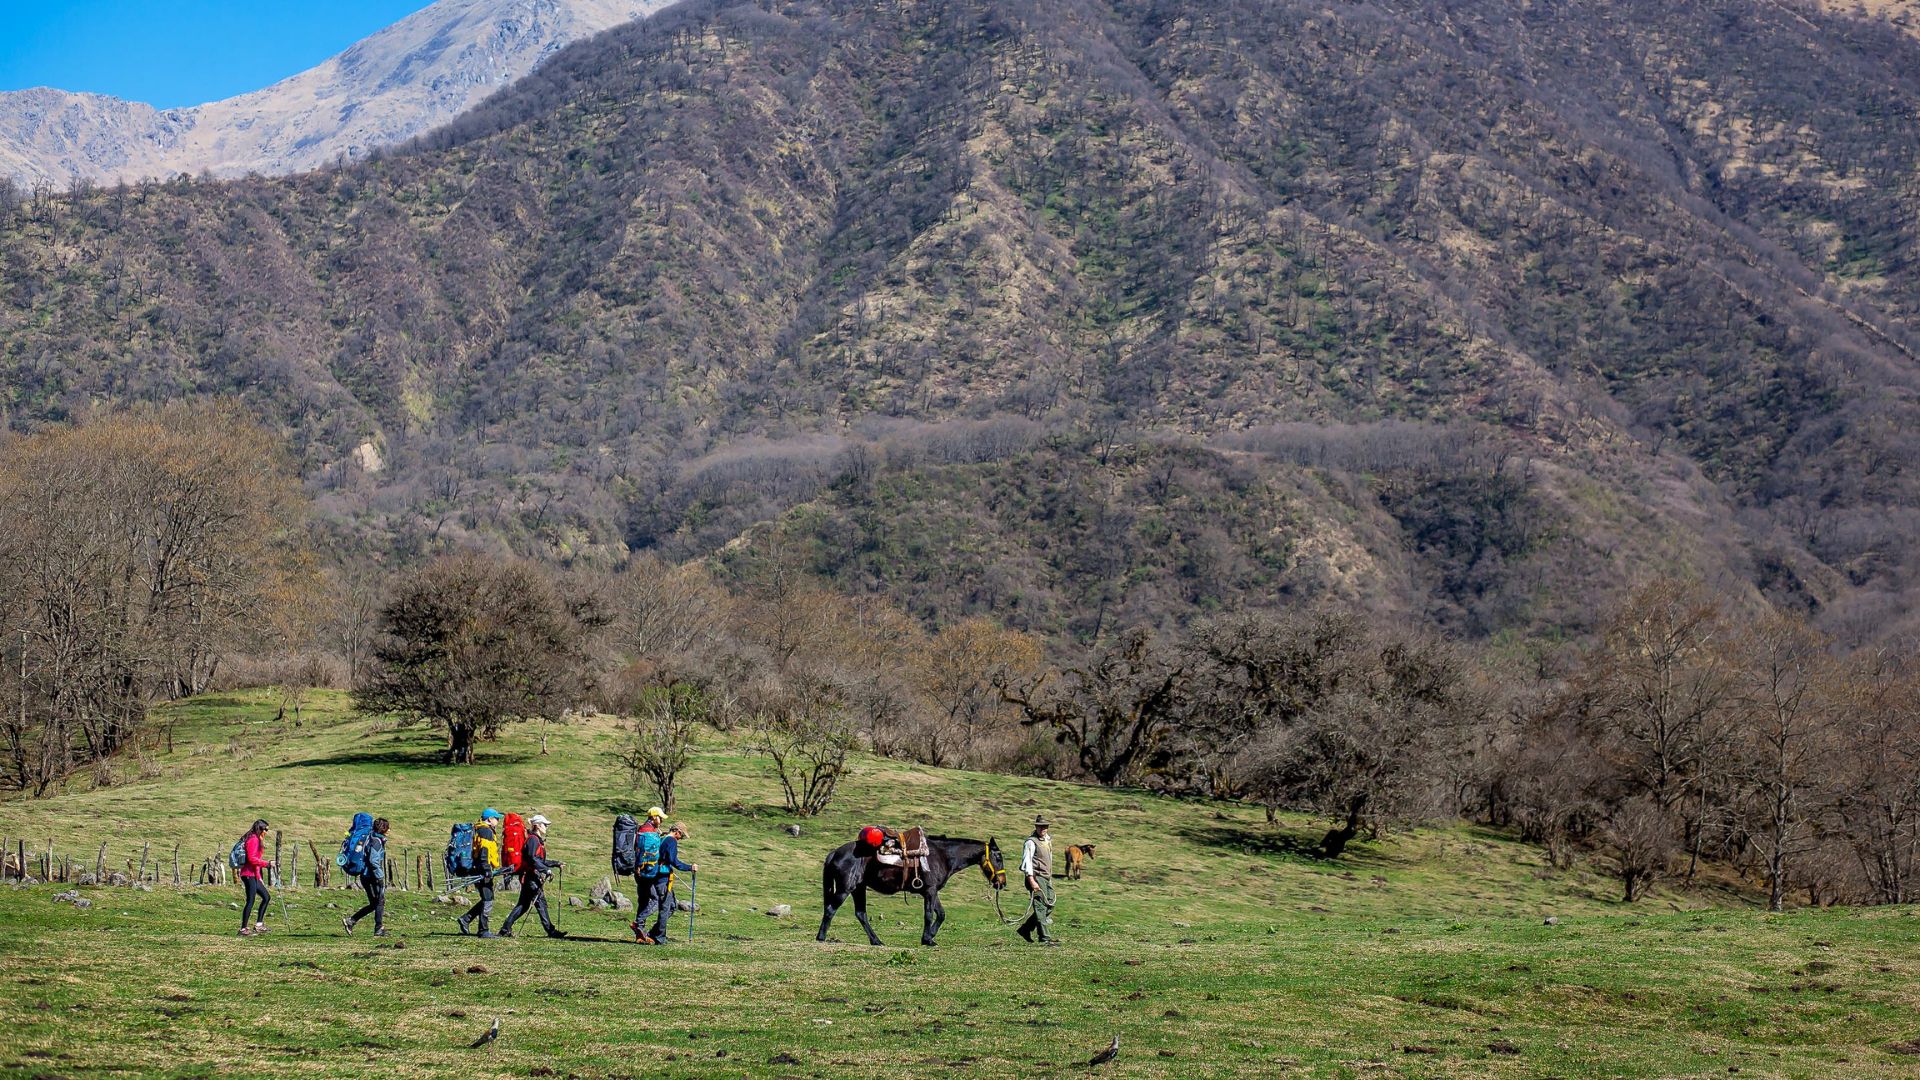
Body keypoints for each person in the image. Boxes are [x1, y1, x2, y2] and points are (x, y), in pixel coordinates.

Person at [500, 814, 566, 938]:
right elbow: (532, 858)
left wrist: (556, 864)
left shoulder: (535, 840)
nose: (546, 827)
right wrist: (546, 870)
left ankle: (505, 929)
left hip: (530, 876)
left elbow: (539, 860)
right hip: (531, 877)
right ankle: (551, 931)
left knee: (523, 905)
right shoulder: (533, 840)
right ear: (537, 826)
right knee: (540, 902)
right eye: (544, 825)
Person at [641, 822, 697, 945]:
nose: (680, 838)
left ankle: (655, 933)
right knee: (666, 907)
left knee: (671, 906)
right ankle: (658, 937)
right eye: (681, 836)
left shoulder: (663, 838)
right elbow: (674, 861)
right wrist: (689, 867)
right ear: (677, 832)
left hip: (659, 876)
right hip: (663, 879)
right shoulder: (671, 841)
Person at [459, 809, 505, 939]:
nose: (498, 821)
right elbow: (484, 851)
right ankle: (483, 930)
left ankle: (466, 919)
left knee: (487, 897)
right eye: (496, 818)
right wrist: (486, 869)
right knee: (488, 898)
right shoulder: (486, 831)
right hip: (482, 869)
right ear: (489, 819)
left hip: (478, 868)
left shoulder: (479, 829)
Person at [343, 818, 390, 937]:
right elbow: (373, 860)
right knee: (380, 901)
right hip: (372, 876)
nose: (389, 830)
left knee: (374, 903)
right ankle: (378, 929)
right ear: (383, 829)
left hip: (365, 876)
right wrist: (380, 876)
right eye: (388, 827)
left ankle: (351, 921)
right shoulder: (376, 841)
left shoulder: (370, 837)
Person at [1017, 814, 1059, 946]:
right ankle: (1044, 938)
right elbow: (1027, 862)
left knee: (1050, 903)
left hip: (1046, 877)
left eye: (1045, 826)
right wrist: (1032, 881)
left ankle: (1026, 928)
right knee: (1040, 906)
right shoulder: (1031, 842)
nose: (1043, 829)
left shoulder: (1047, 840)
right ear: (1036, 826)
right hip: (1036, 877)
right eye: (1040, 826)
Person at [628, 808, 664, 943]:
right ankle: (638, 922)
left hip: (640, 872)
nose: (661, 821)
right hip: (645, 872)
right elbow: (642, 850)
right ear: (654, 817)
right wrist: (638, 866)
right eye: (660, 818)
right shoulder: (648, 832)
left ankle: (640, 935)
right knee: (655, 900)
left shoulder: (643, 829)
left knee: (643, 900)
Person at [238, 819, 274, 938]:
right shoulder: (253, 839)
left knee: (266, 896)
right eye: (266, 829)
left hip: (253, 874)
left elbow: (255, 862)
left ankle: (259, 924)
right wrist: (267, 864)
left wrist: (259, 877)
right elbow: (252, 859)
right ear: (261, 829)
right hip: (248, 875)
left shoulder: (257, 839)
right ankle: (243, 929)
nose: (267, 832)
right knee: (251, 900)